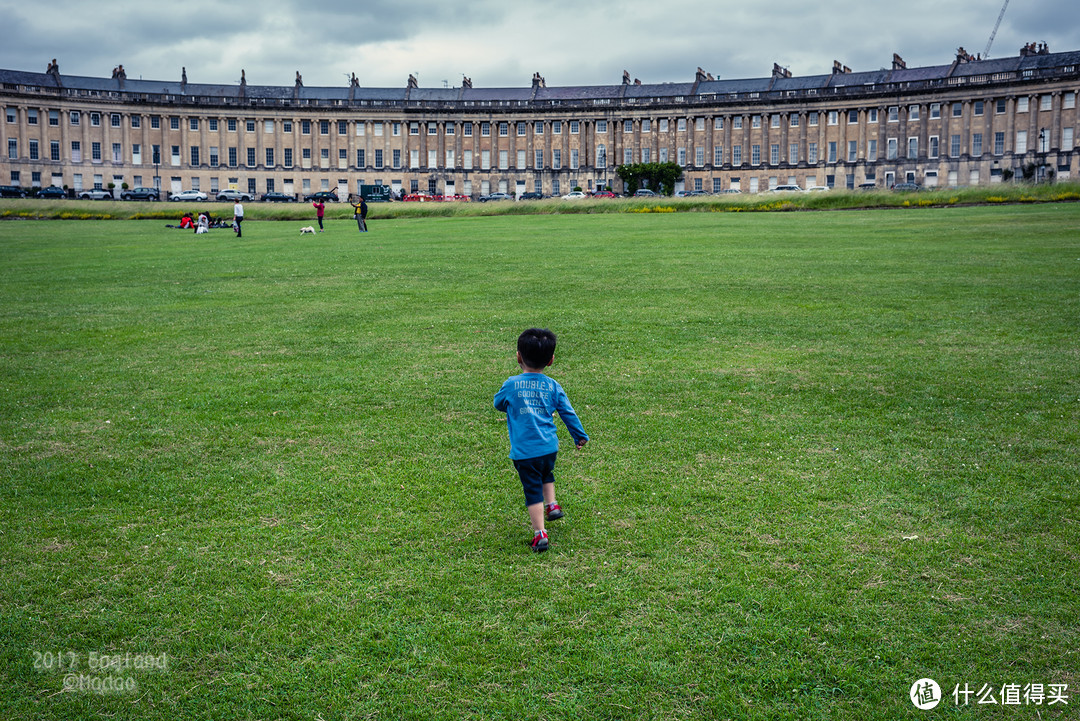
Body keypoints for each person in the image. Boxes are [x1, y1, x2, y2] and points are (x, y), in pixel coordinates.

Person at [494, 328, 589, 552]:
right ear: (551, 360)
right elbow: (568, 413)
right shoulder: (553, 386)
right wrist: (579, 435)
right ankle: (552, 505)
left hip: (525, 452)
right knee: (546, 473)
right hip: (549, 447)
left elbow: (498, 403)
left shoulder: (511, 384)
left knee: (532, 488)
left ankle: (540, 534)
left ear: (518, 356)